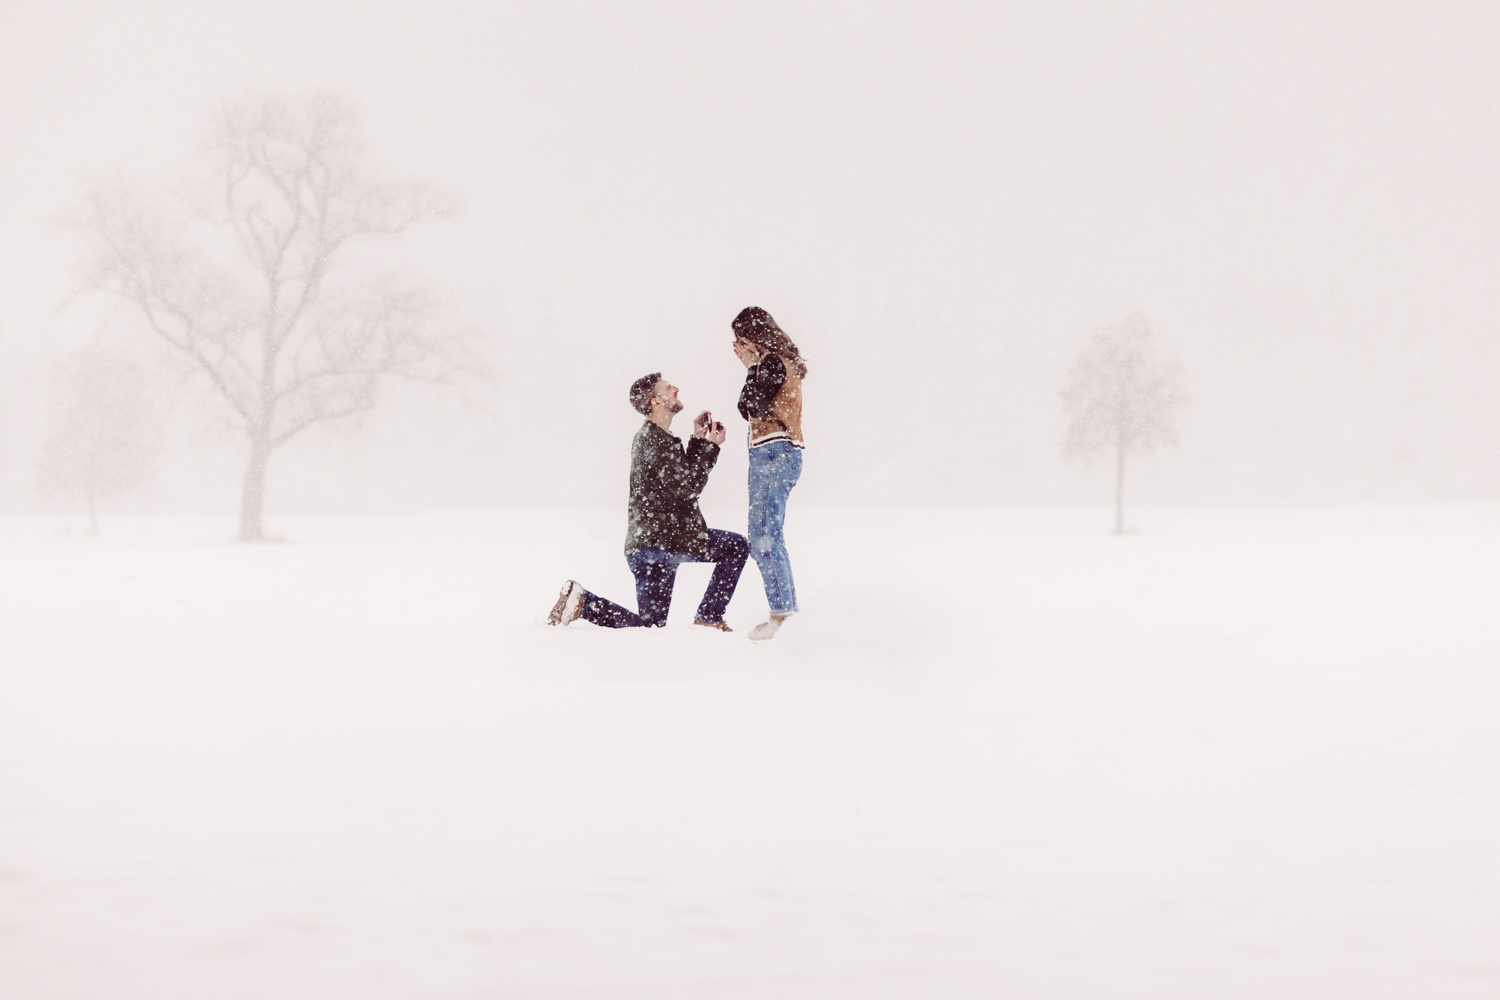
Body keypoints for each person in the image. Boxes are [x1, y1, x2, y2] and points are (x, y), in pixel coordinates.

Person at [547, 373, 749, 632]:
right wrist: (711, 447)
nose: (676, 388)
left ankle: (583, 603)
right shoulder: (654, 440)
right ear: (656, 402)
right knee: (736, 547)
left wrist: (698, 440)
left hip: (647, 545)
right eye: (668, 387)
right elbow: (688, 487)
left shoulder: (655, 438)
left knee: (649, 627)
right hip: (664, 540)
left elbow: (681, 479)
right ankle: (709, 616)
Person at [731, 306, 807, 642]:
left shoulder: (772, 362)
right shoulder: (776, 363)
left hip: (773, 451)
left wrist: (750, 369)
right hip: (777, 452)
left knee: (762, 534)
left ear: (755, 336)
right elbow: (747, 407)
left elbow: (754, 406)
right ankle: (786, 613)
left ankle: (780, 617)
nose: (738, 346)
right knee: (770, 534)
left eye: (741, 339)